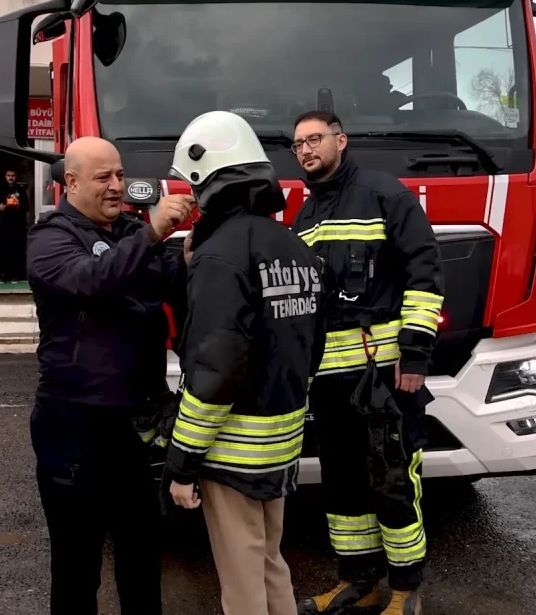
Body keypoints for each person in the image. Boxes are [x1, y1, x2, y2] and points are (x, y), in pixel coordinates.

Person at [161, 112, 326, 615]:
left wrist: (182, 465)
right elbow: (313, 346)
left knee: (242, 584)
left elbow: (214, 373)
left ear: (208, 181)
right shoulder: (294, 247)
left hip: (231, 453)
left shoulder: (222, 257)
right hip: (282, 443)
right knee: (270, 560)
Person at [26, 135, 192, 615]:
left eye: (119, 174)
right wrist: (152, 235)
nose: (117, 185)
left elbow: (169, 282)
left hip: (136, 423)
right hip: (74, 424)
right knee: (77, 566)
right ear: (72, 183)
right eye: (103, 177)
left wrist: (189, 256)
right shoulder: (49, 237)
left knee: (142, 557)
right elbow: (91, 279)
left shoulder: (129, 231)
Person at [290, 111, 444, 615]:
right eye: (298, 144)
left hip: (384, 374)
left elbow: (425, 272)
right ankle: (357, 581)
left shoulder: (384, 194)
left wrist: (415, 355)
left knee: (392, 479)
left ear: (341, 140)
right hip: (328, 380)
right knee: (342, 484)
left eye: (315, 139)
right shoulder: (306, 216)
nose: (306, 149)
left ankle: (405, 589)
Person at [0, 167, 29, 282]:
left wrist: (19, 206)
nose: (10, 178)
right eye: (9, 176)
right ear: (5, 177)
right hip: (4, 224)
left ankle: (16, 274)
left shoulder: (21, 190)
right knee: (3, 249)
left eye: (13, 176)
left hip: (17, 225)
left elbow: (27, 206)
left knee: (17, 249)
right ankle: (3, 274)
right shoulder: (0, 189)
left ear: (16, 177)